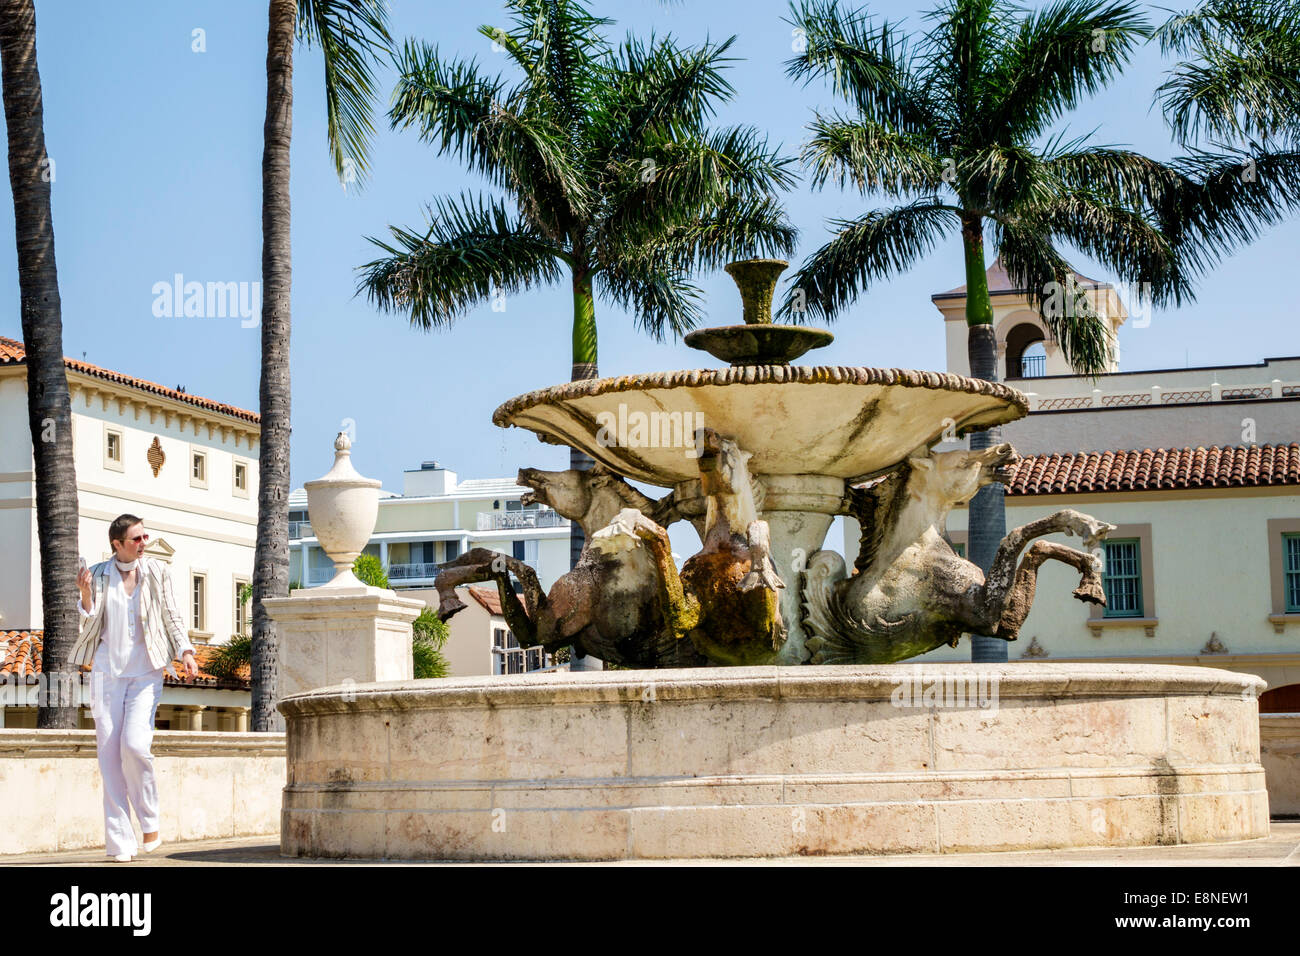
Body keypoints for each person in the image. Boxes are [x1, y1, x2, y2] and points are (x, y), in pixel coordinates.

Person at [71, 514, 200, 862]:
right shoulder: (97, 574)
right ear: (117, 544)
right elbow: (87, 621)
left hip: (146, 672)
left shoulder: (157, 572)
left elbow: (172, 613)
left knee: (136, 746)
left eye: (145, 537)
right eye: (136, 539)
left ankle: (149, 819)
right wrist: (85, 595)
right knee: (109, 757)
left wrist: (185, 651)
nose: (143, 544)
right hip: (106, 674)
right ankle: (119, 844)